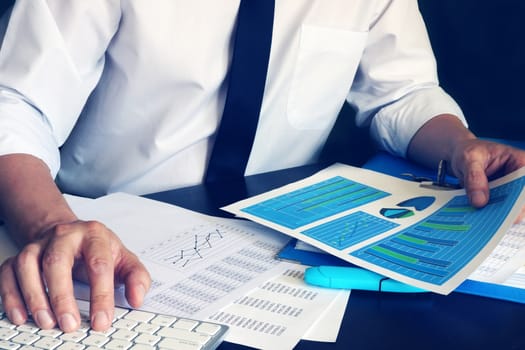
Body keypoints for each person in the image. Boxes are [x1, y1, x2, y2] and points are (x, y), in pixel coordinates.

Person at [0, 0, 524, 333]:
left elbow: (401, 93)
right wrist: (51, 225)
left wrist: (460, 144)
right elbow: (18, 105)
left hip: (275, 237)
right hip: (100, 238)